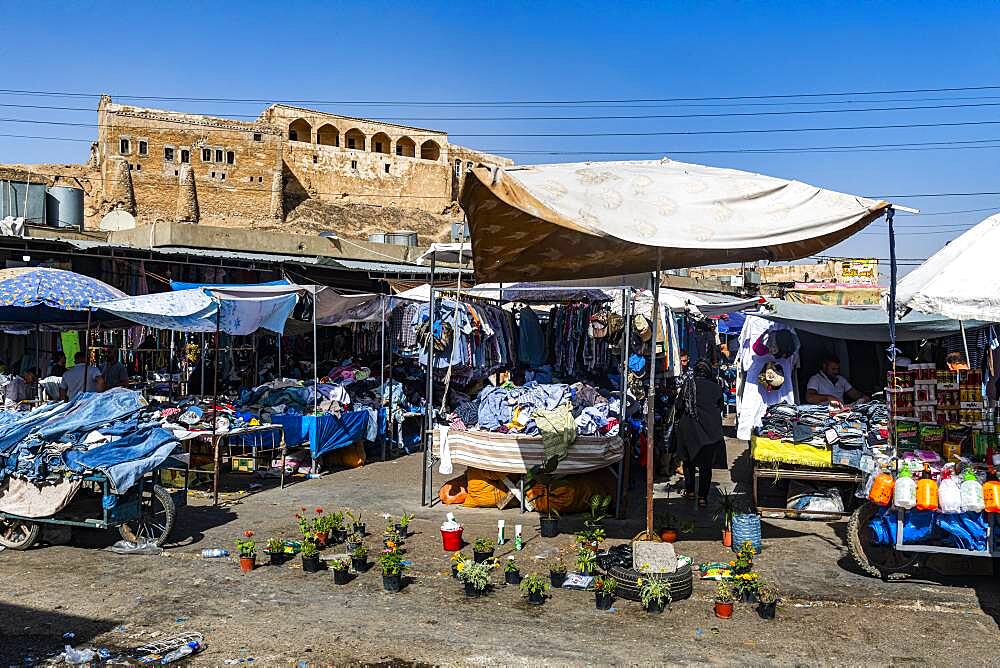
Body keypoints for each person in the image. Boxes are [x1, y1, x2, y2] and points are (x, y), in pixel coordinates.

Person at [675, 360, 725, 508]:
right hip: (710, 431)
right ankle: (702, 497)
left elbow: (679, 406)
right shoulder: (716, 388)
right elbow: (720, 407)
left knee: (688, 462)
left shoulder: (688, 385)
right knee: (706, 466)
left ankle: (690, 491)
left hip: (688, 428)